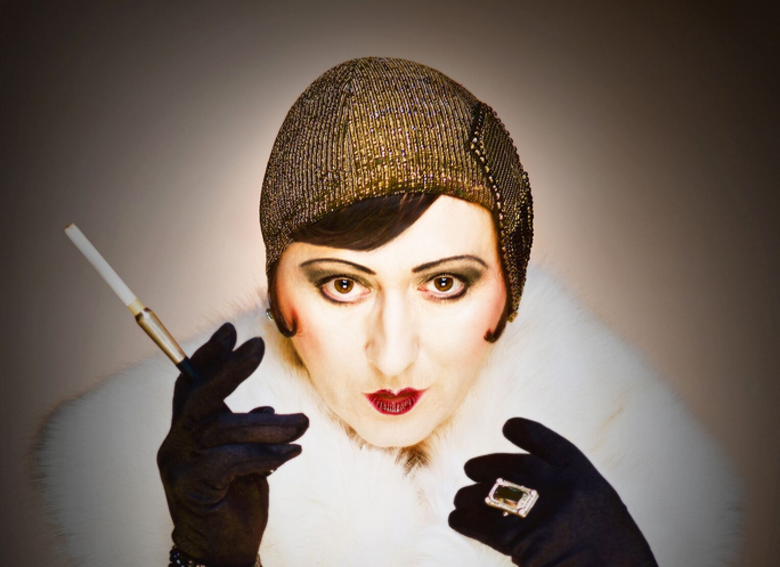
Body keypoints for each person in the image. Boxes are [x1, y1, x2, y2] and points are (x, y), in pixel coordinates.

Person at [36, 58, 742, 567]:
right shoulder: (144, 487)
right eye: (344, 285)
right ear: (279, 298)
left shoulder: (638, 469)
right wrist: (202, 560)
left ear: (509, 293)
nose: (394, 354)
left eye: (445, 283)